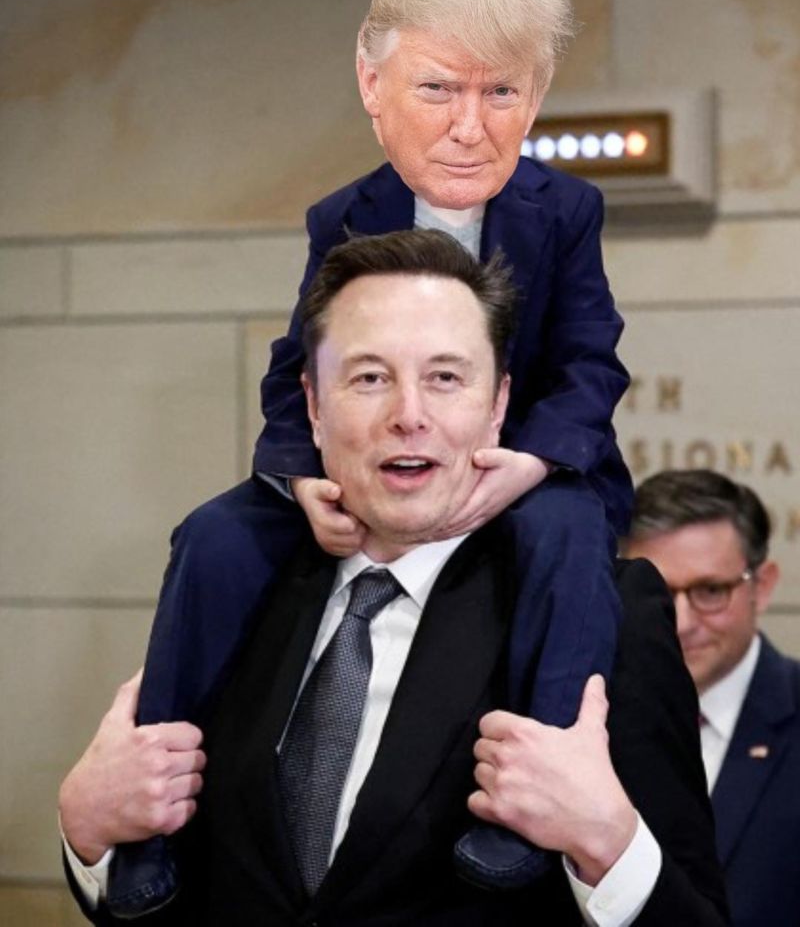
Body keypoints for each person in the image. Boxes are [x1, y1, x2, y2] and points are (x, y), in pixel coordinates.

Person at [123, 0, 630, 908]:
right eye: (438, 89)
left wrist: (528, 460)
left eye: (502, 93)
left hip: (522, 463)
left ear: (535, 98)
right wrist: (298, 476)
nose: (470, 127)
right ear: (372, 82)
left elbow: (589, 362)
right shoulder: (342, 217)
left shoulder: (567, 209)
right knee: (216, 533)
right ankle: (152, 812)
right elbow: (298, 369)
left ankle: (526, 808)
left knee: (569, 536)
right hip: (368, 467)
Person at [60, 230, 727, 926]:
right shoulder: (235, 585)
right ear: (314, 406)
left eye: (445, 378)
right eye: (370, 378)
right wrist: (89, 836)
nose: (409, 416)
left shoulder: (607, 613)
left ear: (498, 405)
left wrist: (608, 843)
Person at [624, 469, 800, 927]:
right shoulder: (581, 718)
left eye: (709, 591)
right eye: (657, 593)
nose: (681, 622)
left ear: (762, 586)